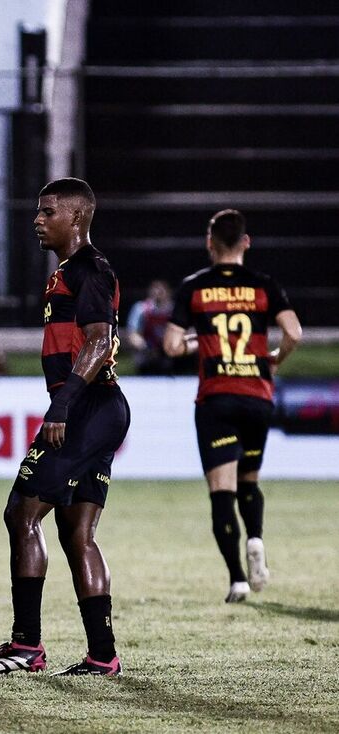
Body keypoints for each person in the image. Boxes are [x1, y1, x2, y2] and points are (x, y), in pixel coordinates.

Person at [0, 177, 129, 679]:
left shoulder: (89, 270)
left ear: (76, 217)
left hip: (87, 407)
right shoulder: (70, 272)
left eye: (47, 212)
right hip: (98, 407)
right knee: (75, 530)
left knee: (21, 513)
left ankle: (26, 645)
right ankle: (102, 654)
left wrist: (62, 406)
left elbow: (99, 342)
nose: (37, 221)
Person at [163, 209, 301, 603]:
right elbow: (294, 332)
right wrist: (275, 357)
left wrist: (196, 341)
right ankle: (255, 537)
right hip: (257, 397)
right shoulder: (264, 285)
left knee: (222, 491)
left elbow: (172, 345)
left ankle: (238, 579)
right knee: (249, 481)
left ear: (210, 243)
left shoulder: (194, 287)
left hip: (217, 400)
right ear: (246, 242)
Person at [125, 279, 176, 375]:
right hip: (147, 350)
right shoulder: (140, 308)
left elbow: (185, 331)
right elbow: (132, 334)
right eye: (155, 290)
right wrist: (145, 347)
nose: (158, 293)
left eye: (161, 291)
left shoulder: (175, 310)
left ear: (168, 292)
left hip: (169, 350)